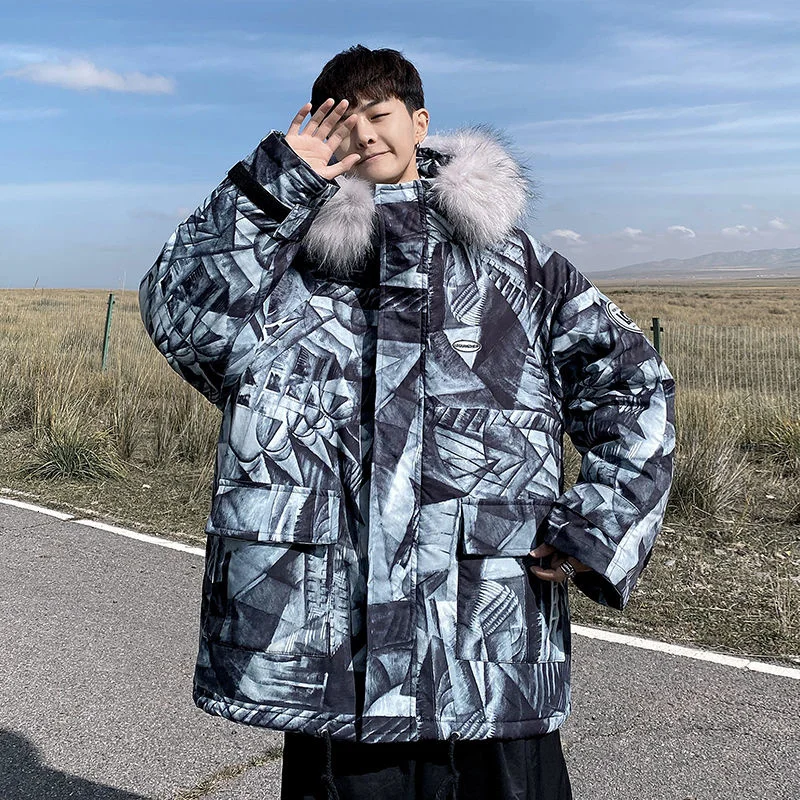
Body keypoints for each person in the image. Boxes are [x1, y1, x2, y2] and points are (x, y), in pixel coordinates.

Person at [139, 44, 674, 800]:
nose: (363, 134)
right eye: (342, 121)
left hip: (487, 642)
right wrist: (273, 183)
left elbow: (634, 386)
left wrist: (598, 524)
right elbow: (178, 311)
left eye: (379, 114)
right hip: (332, 654)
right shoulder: (284, 270)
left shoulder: (517, 266)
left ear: (420, 123)